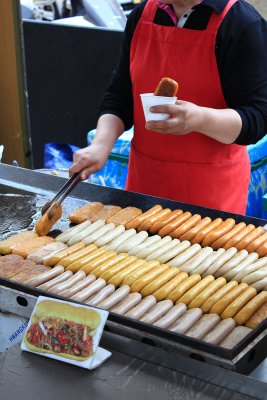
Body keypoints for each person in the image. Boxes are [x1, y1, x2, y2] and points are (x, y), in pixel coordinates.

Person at [69, 0, 267, 214]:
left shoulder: (241, 23)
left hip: (210, 199)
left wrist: (200, 119)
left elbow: (258, 117)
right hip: (144, 189)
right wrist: (100, 145)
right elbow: (120, 96)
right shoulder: (142, 15)